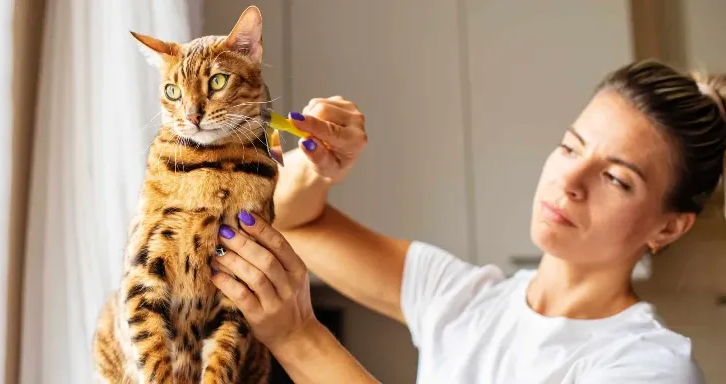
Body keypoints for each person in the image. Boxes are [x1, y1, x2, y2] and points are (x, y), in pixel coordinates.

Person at [211, 59, 726, 383]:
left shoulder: (650, 369)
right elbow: (299, 225)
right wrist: (319, 163)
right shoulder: (467, 300)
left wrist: (298, 337)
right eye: (571, 147)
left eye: (617, 179)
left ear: (669, 227)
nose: (571, 181)